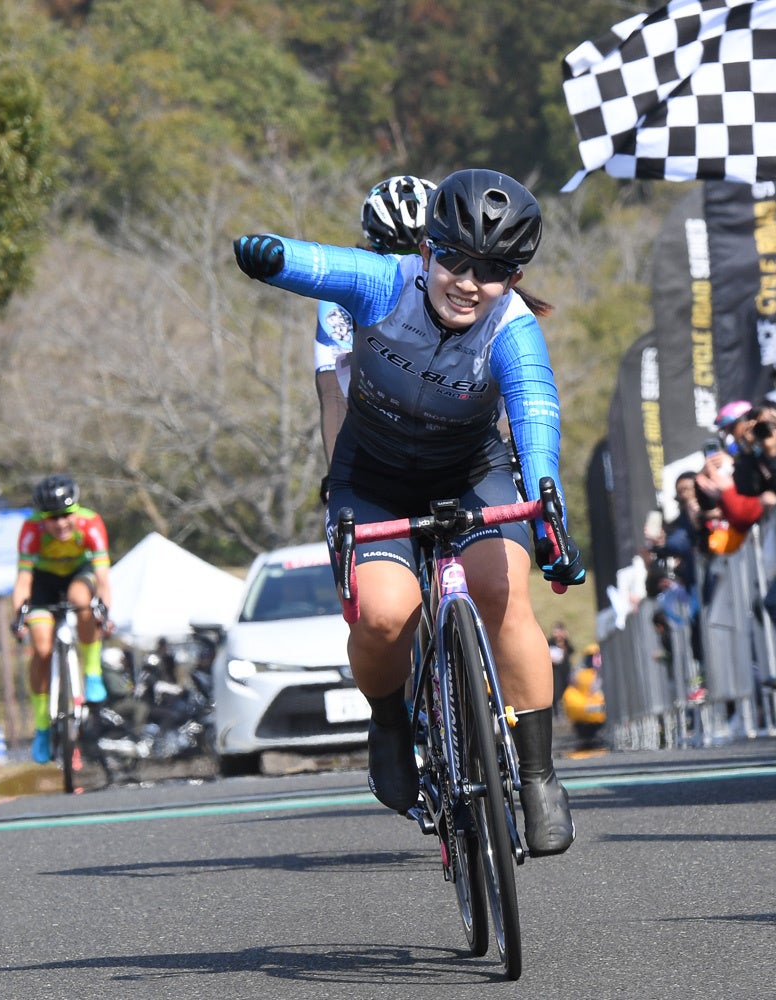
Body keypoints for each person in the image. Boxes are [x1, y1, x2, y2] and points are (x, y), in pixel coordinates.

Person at [233, 168, 587, 856]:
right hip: (375, 477)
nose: (469, 282)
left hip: (472, 474)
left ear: (514, 278)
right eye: (455, 260)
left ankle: (538, 774)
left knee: (503, 595)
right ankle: (390, 721)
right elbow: (318, 265)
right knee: (385, 615)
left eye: (492, 271)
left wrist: (551, 519)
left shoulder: (513, 329)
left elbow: (536, 420)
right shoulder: (383, 283)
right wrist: (271, 257)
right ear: (426, 251)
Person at [315, 175, 439, 466]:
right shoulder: (345, 291)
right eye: (391, 254)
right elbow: (334, 391)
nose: (406, 267)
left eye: (418, 254)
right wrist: (336, 471)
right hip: (380, 436)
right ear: (370, 251)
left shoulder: (466, 289)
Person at [9, 473, 115, 763]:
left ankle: (92, 673)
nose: (60, 523)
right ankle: (42, 727)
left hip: (79, 574)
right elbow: (23, 581)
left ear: (76, 509)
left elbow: (103, 579)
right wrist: (19, 617)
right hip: (43, 583)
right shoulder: (31, 530)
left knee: (82, 599)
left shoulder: (91, 524)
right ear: (42, 517)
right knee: (42, 648)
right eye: (52, 517)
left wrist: (104, 611)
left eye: (67, 514)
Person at [547, 621, 573, 712]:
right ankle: (556, 711)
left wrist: (565, 641)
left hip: (565, 671)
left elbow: (571, 651)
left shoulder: (565, 643)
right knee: (555, 692)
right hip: (554, 672)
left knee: (566, 690)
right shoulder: (550, 642)